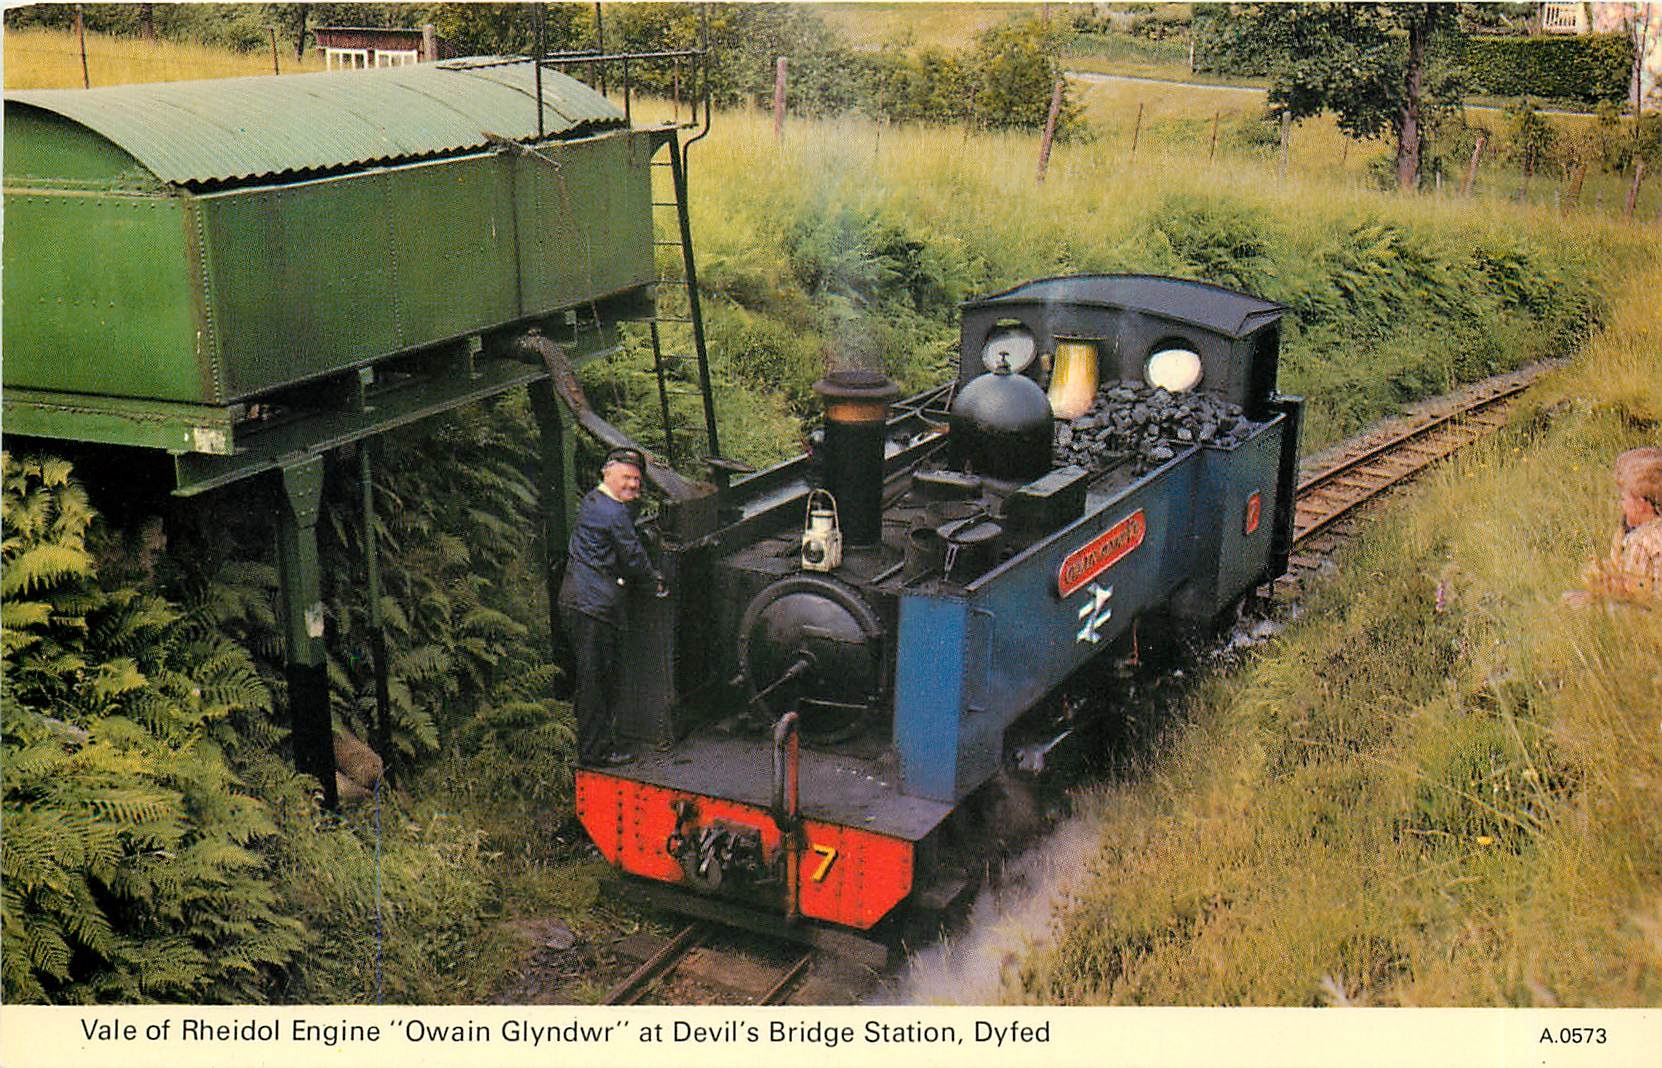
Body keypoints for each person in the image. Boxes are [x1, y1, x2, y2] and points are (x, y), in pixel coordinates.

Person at [558, 447, 666, 766]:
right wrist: (656, 582)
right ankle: (595, 753)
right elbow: (633, 558)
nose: (633, 486)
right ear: (608, 473)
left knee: (591, 678)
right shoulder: (614, 513)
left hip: (578, 599)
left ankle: (597, 744)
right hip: (594, 607)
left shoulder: (593, 500)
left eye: (637, 481)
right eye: (627, 478)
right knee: (597, 681)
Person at [1565, 446, 1662, 606]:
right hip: (1644, 605)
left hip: (1642, 611)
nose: (1620, 505)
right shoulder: (1641, 531)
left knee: (1573, 602)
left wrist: (1606, 583)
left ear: (1641, 504)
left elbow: (1638, 590)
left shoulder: (1641, 540)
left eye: (1623, 499)